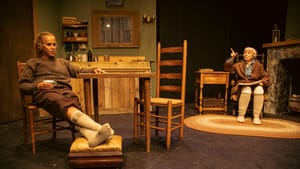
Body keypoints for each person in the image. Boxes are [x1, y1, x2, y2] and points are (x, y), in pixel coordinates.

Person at [18, 32, 114, 147]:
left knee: (73, 101)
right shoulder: (33, 62)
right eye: (49, 44)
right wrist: (38, 86)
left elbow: (80, 70)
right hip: (45, 93)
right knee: (60, 101)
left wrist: (94, 69)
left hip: (64, 91)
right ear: (40, 46)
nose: (53, 47)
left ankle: (92, 137)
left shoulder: (62, 62)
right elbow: (23, 85)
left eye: (54, 44)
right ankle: (98, 128)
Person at [224, 47, 270, 124]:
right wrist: (233, 57)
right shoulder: (238, 65)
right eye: (245, 52)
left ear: (253, 56)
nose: (245, 54)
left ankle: (256, 116)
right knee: (247, 89)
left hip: (255, 83)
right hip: (243, 84)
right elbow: (227, 68)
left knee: (259, 89)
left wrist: (262, 82)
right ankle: (241, 115)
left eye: (248, 53)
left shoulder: (258, 65)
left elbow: (265, 76)